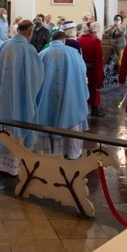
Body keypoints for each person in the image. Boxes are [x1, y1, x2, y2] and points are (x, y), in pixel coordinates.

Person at [0, 20, 44, 176]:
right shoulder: (28, 49)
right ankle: (16, 166)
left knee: (3, 123)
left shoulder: (5, 45)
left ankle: (3, 166)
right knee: (19, 124)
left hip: (2, 97)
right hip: (20, 98)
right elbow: (37, 76)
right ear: (30, 31)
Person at [35, 30, 89, 159]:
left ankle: (51, 152)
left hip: (47, 100)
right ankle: (71, 153)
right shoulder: (73, 53)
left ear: (51, 40)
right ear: (64, 40)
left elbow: (36, 78)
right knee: (71, 121)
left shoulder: (42, 54)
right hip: (70, 98)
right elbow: (82, 72)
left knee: (48, 119)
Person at [78, 22, 106, 117]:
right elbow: (98, 59)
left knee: (82, 88)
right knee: (93, 89)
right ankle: (94, 109)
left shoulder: (79, 40)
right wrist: (100, 74)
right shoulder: (95, 41)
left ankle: (83, 108)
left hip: (82, 69)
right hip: (92, 69)